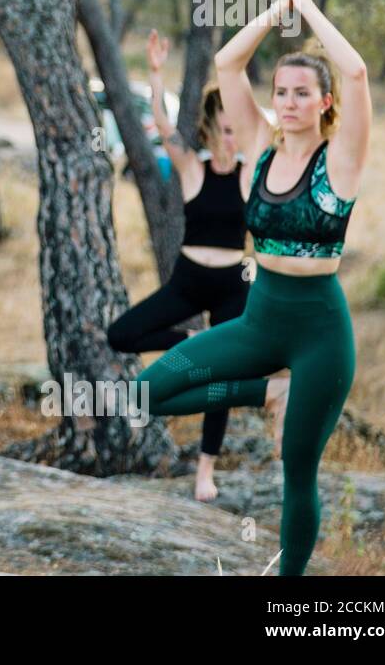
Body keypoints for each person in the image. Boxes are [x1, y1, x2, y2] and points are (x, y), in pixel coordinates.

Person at [134, 0, 371, 575]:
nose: (289, 101)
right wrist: (278, 9)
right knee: (148, 392)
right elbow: (226, 62)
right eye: (282, 92)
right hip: (261, 320)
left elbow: (356, 74)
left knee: (298, 469)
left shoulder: (339, 159)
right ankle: (266, 390)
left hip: (320, 331)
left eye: (302, 93)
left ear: (322, 104)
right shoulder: (260, 147)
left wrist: (311, 13)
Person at [108, 30, 248, 501]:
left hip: (233, 286)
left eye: (237, 130)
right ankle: (191, 341)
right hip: (188, 282)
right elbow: (164, 127)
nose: (230, 139)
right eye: (223, 130)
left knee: (224, 380)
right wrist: (154, 73)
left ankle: (205, 471)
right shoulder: (193, 168)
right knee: (121, 335)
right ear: (210, 131)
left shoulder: (252, 173)